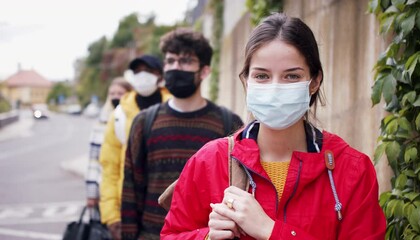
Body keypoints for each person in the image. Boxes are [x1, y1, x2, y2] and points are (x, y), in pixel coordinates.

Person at [161, 13, 386, 239]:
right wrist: (207, 236)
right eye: (261, 76)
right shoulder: (209, 161)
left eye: (291, 76)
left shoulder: (351, 170)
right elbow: (171, 234)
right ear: (245, 81)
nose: (275, 88)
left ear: (315, 82)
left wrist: (270, 230)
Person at [121, 28, 244, 240]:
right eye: (170, 61)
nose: (175, 67)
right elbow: (131, 190)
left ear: (204, 71)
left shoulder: (228, 123)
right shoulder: (144, 122)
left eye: (185, 61)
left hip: (207, 236)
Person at [99, 54, 170, 240]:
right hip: (129, 208)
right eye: (137, 72)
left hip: (168, 208)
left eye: (149, 71)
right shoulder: (119, 114)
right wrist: (112, 214)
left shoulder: (175, 107)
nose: (143, 76)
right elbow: (110, 168)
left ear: (160, 76)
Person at [86, 77, 132, 209]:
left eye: (120, 94)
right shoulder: (102, 122)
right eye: (112, 94)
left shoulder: (137, 119)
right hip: (104, 185)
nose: (115, 97)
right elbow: (93, 159)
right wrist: (91, 193)